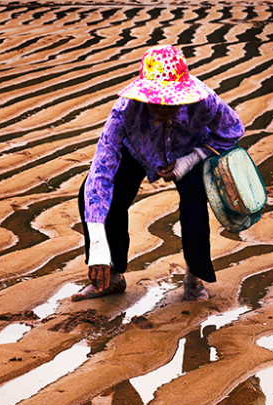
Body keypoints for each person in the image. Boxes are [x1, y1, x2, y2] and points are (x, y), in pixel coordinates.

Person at [73, 45, 245, 302]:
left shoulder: (205, 101)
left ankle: (194, 278)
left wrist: (190, 160)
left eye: (171, 102)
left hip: (188, 149)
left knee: (194, 205)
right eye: (156, 101)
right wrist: (98, 247)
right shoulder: (124, 112)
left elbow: (232, 130)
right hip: (137, 150)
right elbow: (101, 172)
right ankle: (113, 275)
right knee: (98, 195)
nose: (163, 107)